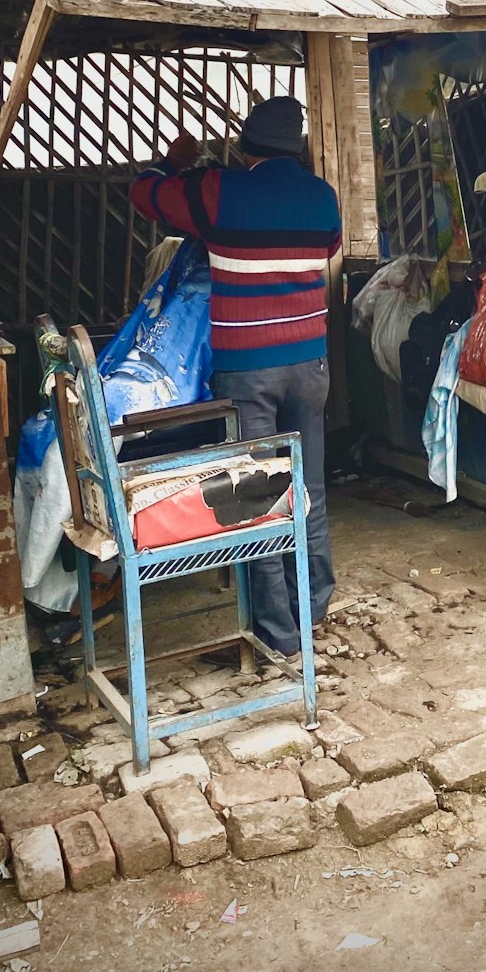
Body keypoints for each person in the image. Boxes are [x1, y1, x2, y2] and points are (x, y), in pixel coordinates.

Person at [129, 95, 342, 658]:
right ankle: (314, 605)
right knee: (308, 487)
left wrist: (172, 163)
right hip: (311, 366)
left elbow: (145, 196)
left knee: (256, 496)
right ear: (297, 148)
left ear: (246, 148)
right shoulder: (323, 197)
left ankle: (277, 632)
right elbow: (328, 249)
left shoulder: (217, 192)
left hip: (248, 372)